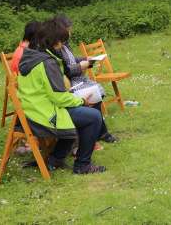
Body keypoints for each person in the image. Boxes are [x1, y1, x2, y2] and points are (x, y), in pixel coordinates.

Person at [18, 18, 106, 174]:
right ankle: (82, 165)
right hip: (44, 115)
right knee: (93, 116)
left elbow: (51, 93)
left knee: (80, 115)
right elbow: (58, 97)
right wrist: (80, 100)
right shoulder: (47, 62)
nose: (62, 45)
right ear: (54, 41)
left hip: (32, 110)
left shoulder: (31, 55)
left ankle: (54, 160)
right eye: (61, 42)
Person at [52, 14, 118, 143]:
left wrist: (85, 59)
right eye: (69, 29)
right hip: (69, 83)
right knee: (94, 93)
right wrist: (81, 66)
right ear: (62, 30)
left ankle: (100, 131)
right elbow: (64, 71)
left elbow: (70, 60)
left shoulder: (64, 44)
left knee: (97, 93)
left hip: (77, 79)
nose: (70, 32)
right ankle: (100, 132)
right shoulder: (55, 48)